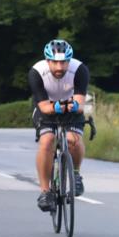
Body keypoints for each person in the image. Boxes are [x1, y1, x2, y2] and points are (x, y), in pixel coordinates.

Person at [29, 39, 89, 212]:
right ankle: (45, 192)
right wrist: (55, 107)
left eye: (63, 62)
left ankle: (76, 174)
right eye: (55, 62)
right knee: (47, 140)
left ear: (69, 61)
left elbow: (80, 102)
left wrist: (74, 106)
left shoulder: (79, 70)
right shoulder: (36, 72)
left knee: (73, 140)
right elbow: (44, 107)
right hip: (46, 107)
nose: (59, 67)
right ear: (47, 61)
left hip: (70, 107)